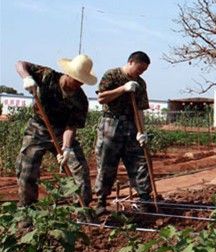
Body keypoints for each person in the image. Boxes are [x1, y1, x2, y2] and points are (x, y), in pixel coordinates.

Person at [15, 55, 97, 208]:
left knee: (79, 168)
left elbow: (71, 126)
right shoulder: (47, 76)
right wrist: (26, 78)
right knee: (27, 169)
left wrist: (66, 148)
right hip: (38, 128)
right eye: (77, 79)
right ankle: (26, 210)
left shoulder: (80, 100)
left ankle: (82, 208)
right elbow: (21, 64)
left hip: (61, 132)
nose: (79, 84)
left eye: (82, 81)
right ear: (68, 74)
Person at [94, 51, 152, 214]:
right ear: (131, 62)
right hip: (111, 123)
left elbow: (139, 110)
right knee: (107, 162)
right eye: (139, 69)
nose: (141, 73)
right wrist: (123, 89)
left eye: (144, 71)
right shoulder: (112, 75)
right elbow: (102, 98)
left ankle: (144, 197)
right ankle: (101, 200)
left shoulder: (140, 83)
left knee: (139, 161)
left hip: (131, 124)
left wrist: (142, 131)